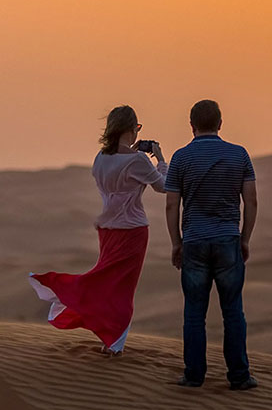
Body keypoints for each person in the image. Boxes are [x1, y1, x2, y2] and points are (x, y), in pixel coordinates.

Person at [29, 106, 167, 355]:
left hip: (107, 231)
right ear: (130, 129)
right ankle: (113, 341)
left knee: (106, 280)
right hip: (133, 230)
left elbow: (117, 184)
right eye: (137, 128)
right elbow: (163, 186)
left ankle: (109, 338)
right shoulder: (137, 160)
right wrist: (160, 159)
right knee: (122, 289)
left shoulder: (100, 159)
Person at [165, 99, 258, 390]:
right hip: (228, 240)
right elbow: (251, 201)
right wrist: (244, 239)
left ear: (191, 125)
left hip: (194, 241)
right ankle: (239, 376)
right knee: (233, 311)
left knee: (194, 312)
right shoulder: (239, 155)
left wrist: (175, 243)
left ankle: (194, 375)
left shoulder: (180, 158)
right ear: (220, 123)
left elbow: (171, 206)